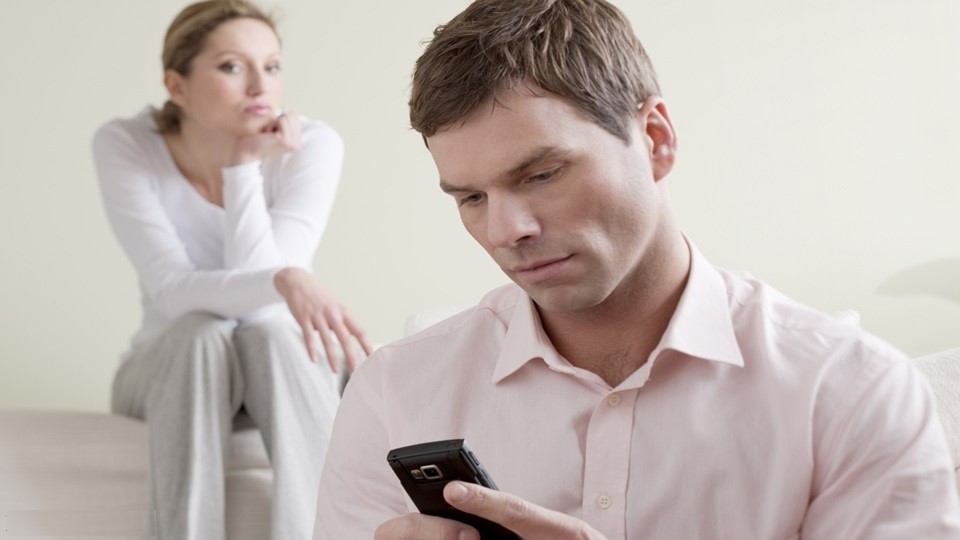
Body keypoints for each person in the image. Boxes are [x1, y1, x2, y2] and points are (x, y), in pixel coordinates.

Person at [313, 0, 960, 538]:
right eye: (471, 198)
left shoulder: (853, 391)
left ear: (656, 139)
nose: (506, 230)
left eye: (542, 174)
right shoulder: (392, 394)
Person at [91, 1, 373, 538]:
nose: (260, 87)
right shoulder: (126, 144)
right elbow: (172, 290)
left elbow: (264, 312)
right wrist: (284, 278)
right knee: (200, 331)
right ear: (176, 85)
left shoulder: (312, 144)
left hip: (279, 361)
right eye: (231, 67)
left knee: (273, 332)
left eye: (272, 66)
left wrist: (242, 166)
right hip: (170, 370)